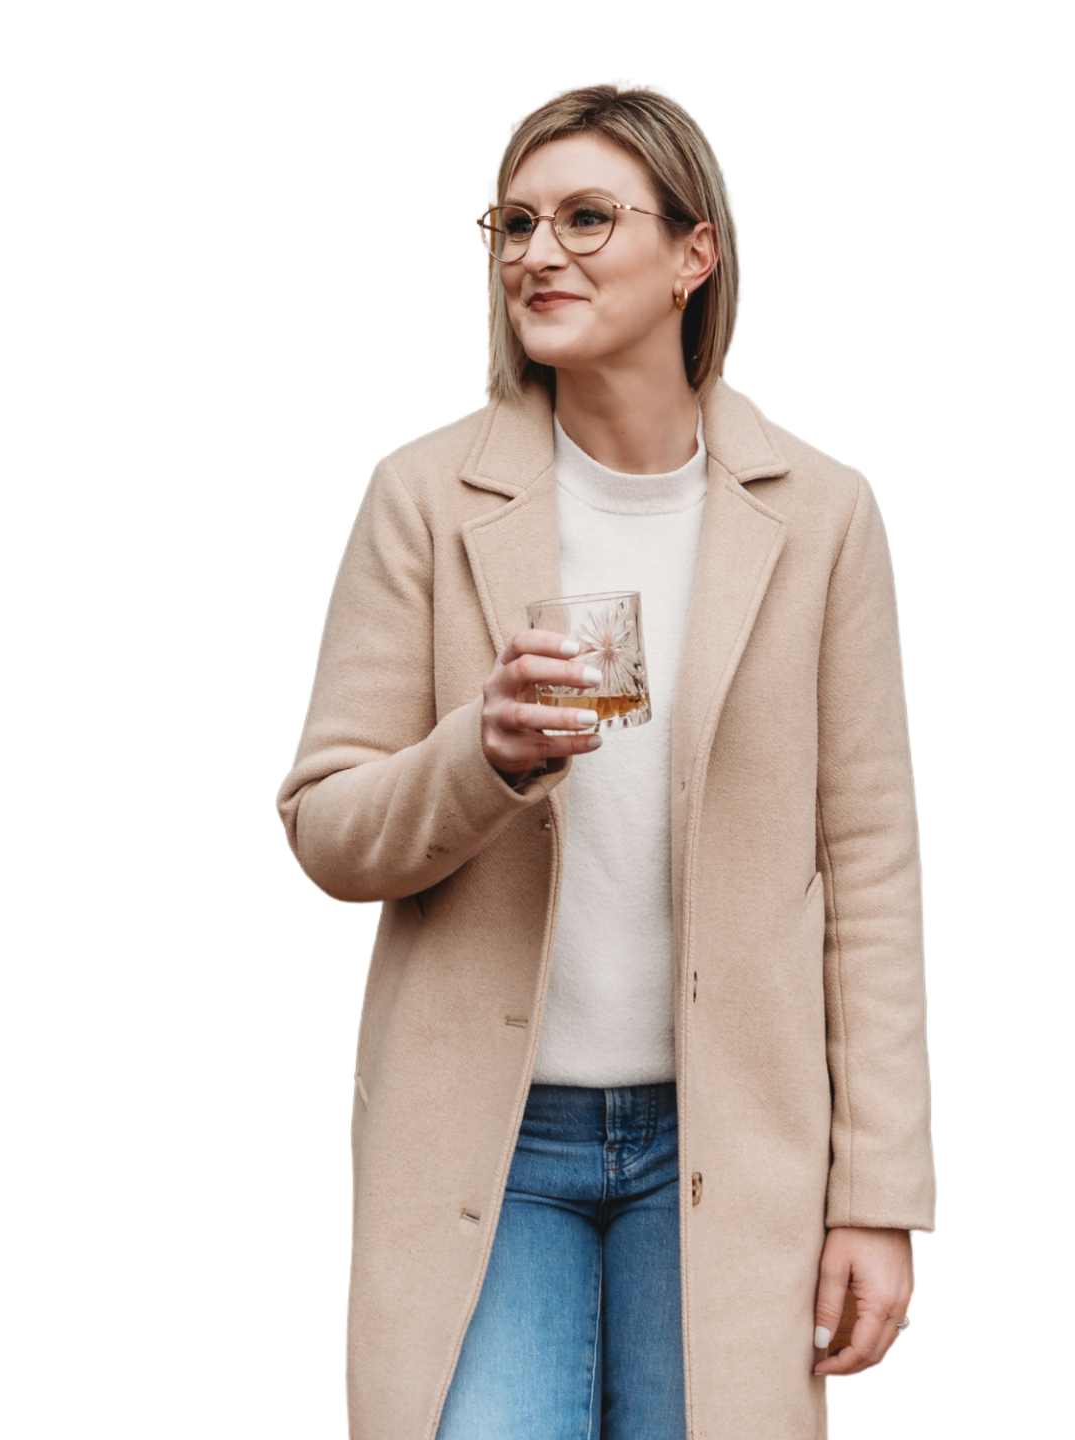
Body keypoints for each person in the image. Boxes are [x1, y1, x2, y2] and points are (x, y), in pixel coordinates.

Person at [275, 78, 935, 1440]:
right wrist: (482, 755)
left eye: (586, 217)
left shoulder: (825, 512)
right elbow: (325, 830)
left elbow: (871, 871)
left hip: (732, 1147)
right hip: (486, 1143)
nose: (539, 253)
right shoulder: (423, 495)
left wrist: (879, 1193)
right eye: (515, 223)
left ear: (696, 254)